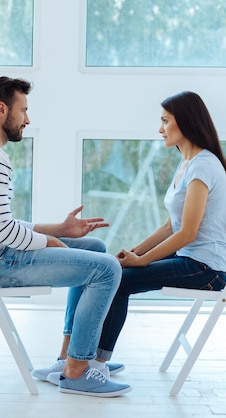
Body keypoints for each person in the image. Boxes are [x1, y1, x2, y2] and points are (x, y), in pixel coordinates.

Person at [0, 76, 131, 397]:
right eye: (24, 111)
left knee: (95, 247)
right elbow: (5, 232)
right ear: (2, 110)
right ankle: (77, 371)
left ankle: (67, 357)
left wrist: (59, 230)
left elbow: (0, 224)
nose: (28, 120)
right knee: (107, 268)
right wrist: (51, 242)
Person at [37, 91, 226, 383]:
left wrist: (141, 262)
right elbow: (168, 226)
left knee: (118, 280)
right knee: (114, 268)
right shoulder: (187, 163)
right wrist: (132, 254)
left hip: (206, 268)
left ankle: (94, 363)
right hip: (190, 258)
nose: (159, 128)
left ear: (186, 122)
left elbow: (188, 233)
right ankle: (73, 359)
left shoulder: (203, 166)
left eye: (165, 121)